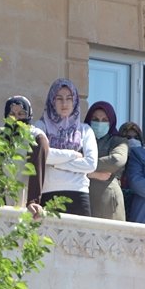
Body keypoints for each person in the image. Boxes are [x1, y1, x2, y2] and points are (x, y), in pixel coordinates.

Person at [36, 79, 97, 216]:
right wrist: (73, 155)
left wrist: (56, 164)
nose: (64, 103)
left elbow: (91, 164)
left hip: (78, 194)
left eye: (69, 98)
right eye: (59, 99)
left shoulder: (85, 130)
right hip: (48, 192)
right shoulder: (40, 126)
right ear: (52, 100)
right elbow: (42, 155)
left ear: (74, 101)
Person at [85, 101, 128, 221]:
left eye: (104, 120)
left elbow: (116, 161)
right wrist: (92, 174)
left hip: (108, 201)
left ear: (111, 121)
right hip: (82, 198)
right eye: (95, 119)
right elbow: (70, 162)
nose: (99, 123)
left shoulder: (118, 141)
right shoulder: (80, 139)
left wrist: (83, 165)